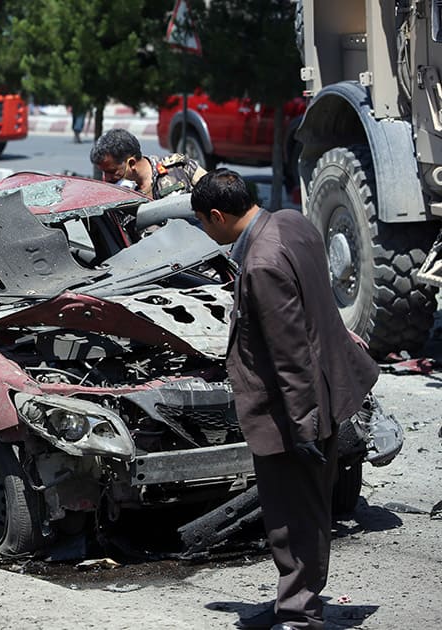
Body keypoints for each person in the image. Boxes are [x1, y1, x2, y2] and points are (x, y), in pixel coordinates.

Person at [190, 169, 380, 630]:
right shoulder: (291, 222)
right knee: (306, 509)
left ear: (217, 216)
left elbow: (290, 354)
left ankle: (299, 617)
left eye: (202, 222)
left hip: (296, 409)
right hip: (329, 388)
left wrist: (302, 425)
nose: (203, 232)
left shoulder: (261, 263)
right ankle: (295, 604)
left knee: (291, 517)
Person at [90, 128, 206, 198]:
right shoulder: (117, 197)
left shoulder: (179, 168)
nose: (106, 178)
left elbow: (213, 192)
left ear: (131, 163)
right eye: (103, 172)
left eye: (111, 171)